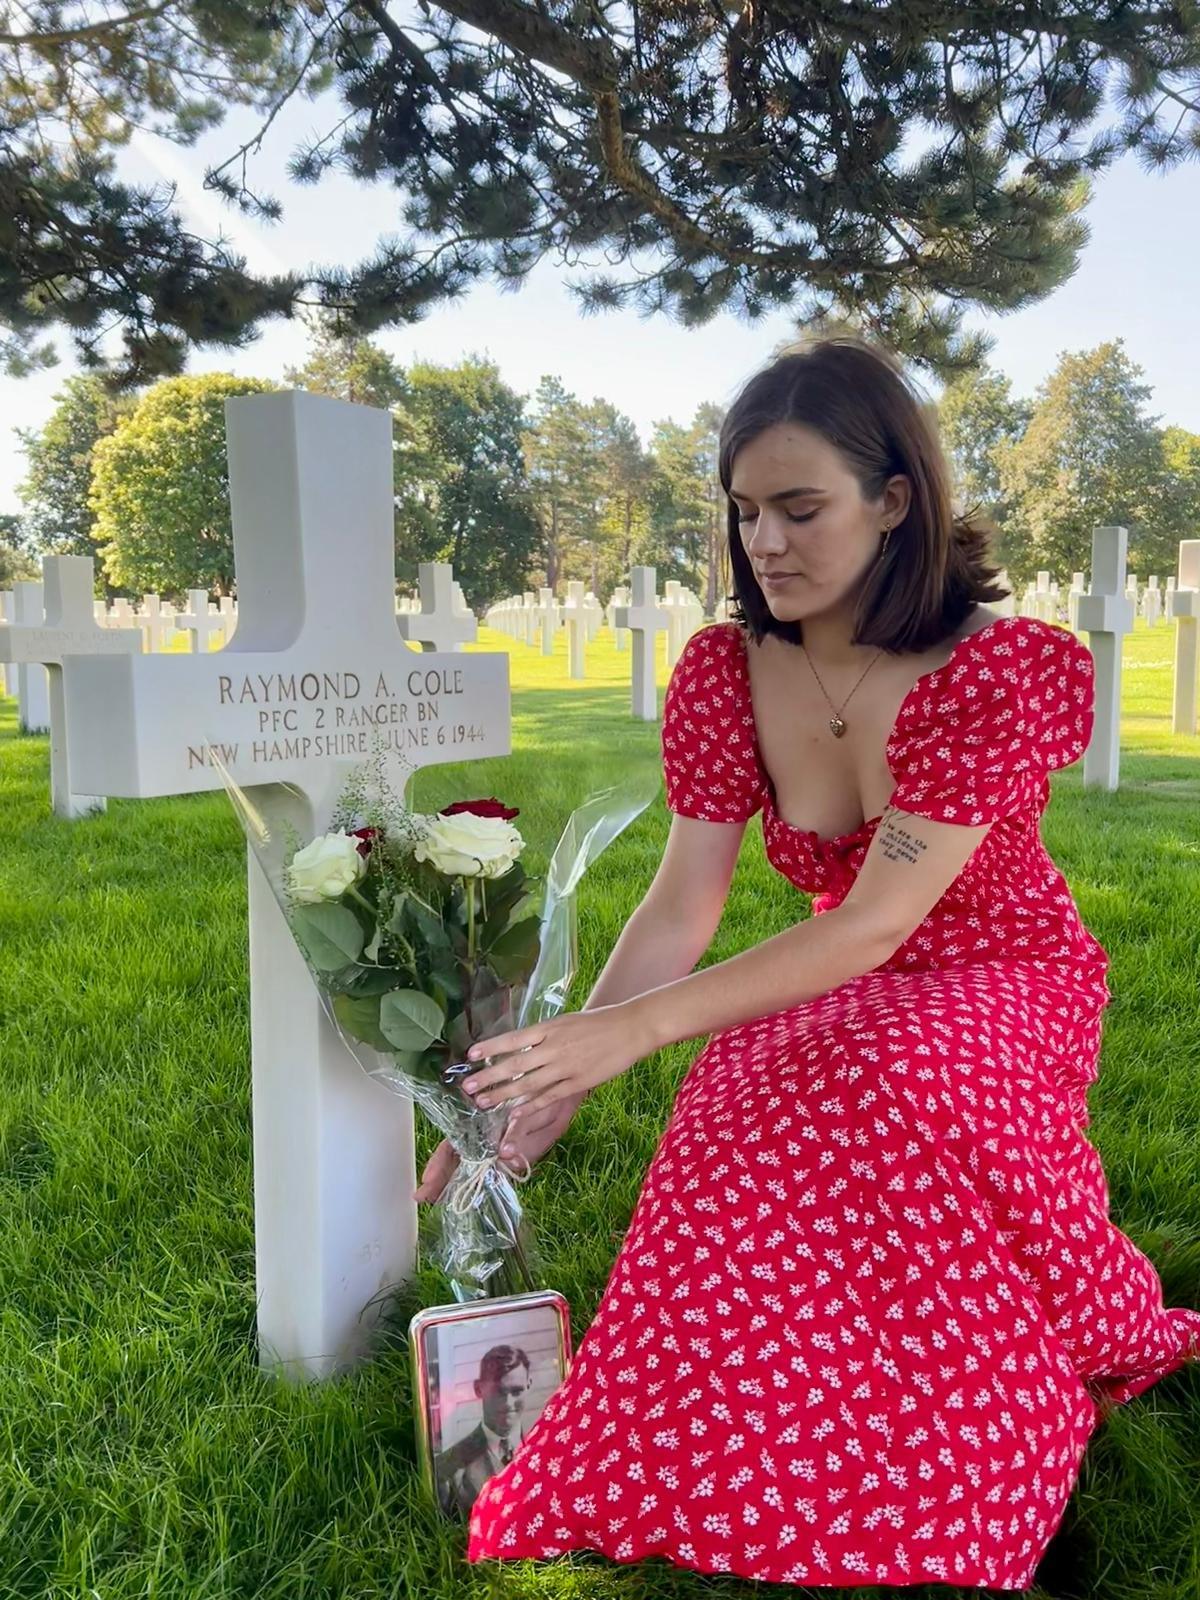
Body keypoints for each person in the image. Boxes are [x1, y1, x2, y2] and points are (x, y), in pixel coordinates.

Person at [417, 334, 1200, 1591]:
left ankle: (950, 1447)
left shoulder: (996, 670)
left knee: (885, 1068)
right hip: (834, 975)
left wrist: (630, 1034)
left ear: (896, 502)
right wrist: (549, 1082)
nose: (764, 542)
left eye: (800, 507)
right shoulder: (730, 671)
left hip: (1001, 969)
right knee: (736, 1096)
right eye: (743, 511)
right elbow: (683, 905)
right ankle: (727, 1433)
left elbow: (875, 926)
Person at [432, 1344, 531, 1517]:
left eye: (517, 1391)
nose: (508, 1403)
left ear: (529, 1385)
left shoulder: (552, 1450)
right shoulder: (447, 1469)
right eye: (498, 1392)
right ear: (478, 1389)